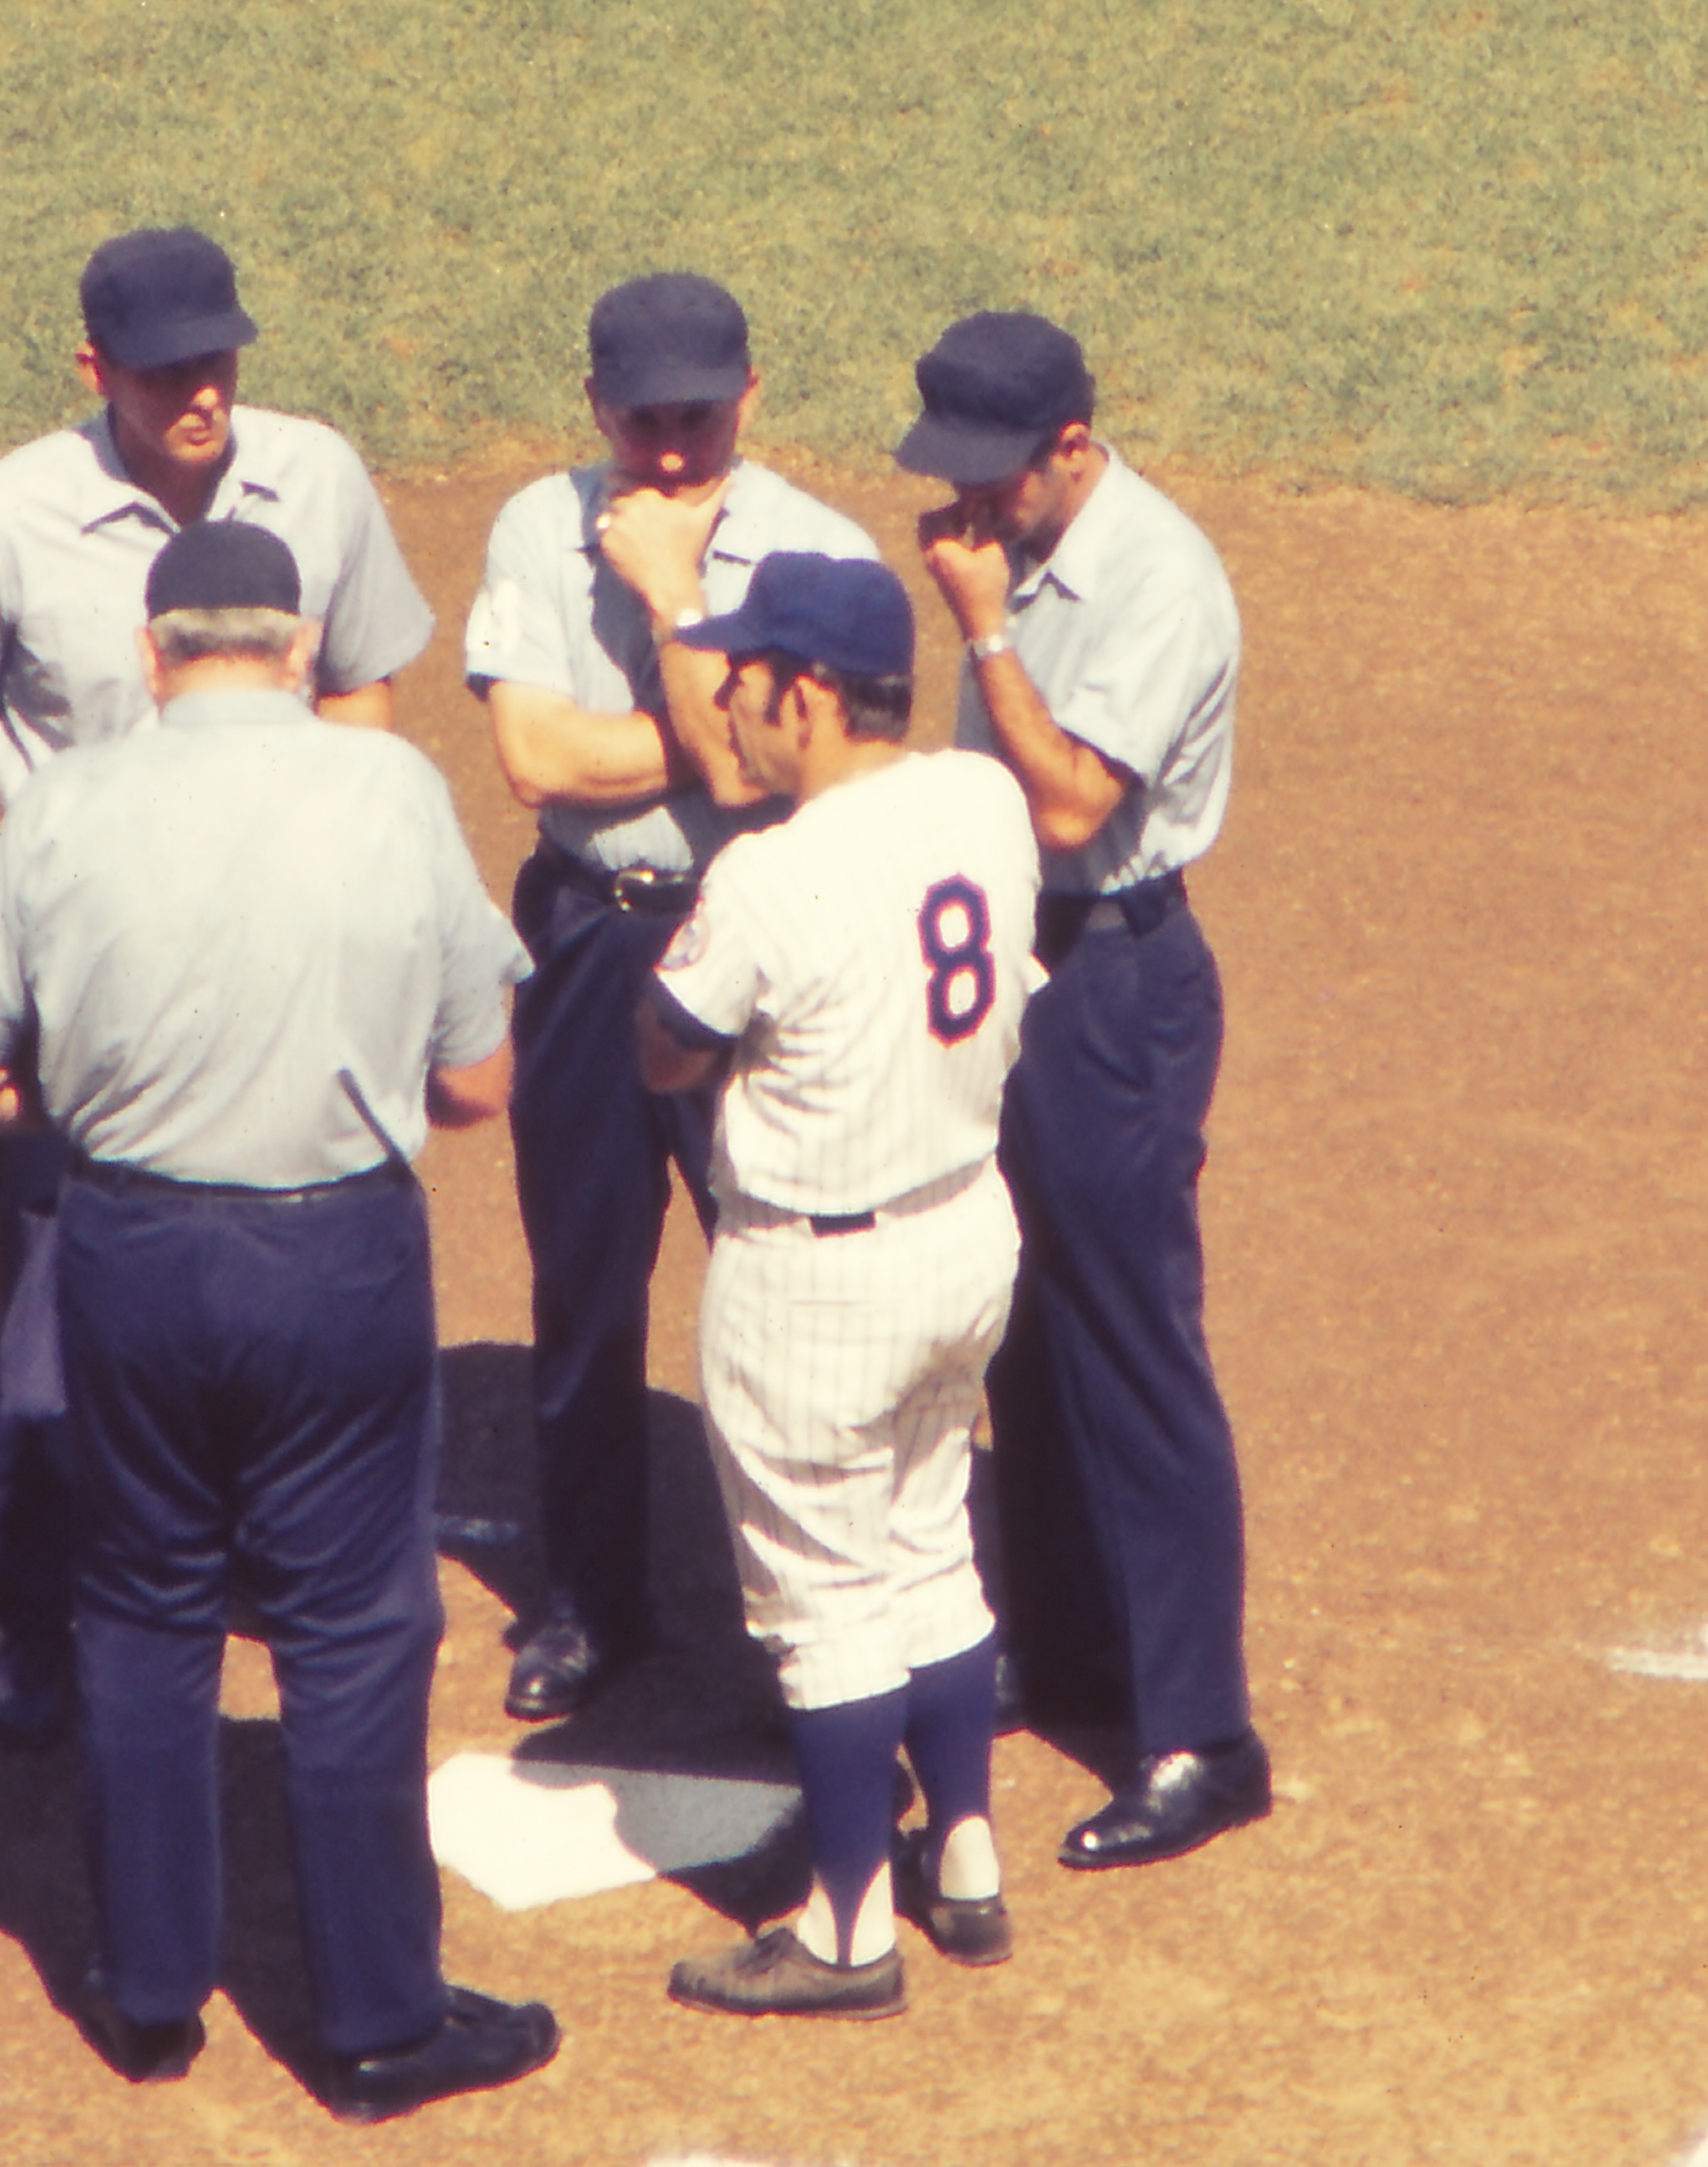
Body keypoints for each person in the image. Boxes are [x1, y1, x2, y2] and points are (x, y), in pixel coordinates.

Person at [0, 523, 555, 2122]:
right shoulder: (391, 792)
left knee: (141, 1605)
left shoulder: (61, 801)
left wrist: (114, 1098)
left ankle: (146, 1999)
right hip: (334, 1260)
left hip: (125, 1251)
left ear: (153, 651)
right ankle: (381, 2025)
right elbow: (482, 1079)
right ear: (301, 642)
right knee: (350, 1624)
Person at [0, 224, 436, 1750]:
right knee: (53, 1329)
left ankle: (236, 1567)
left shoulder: (315, 477)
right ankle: (44, 1615)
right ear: (93, 369)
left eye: (220, 359)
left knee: (257, 1277)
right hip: (90, 989)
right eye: (167, 368)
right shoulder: (10, 516)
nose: (203, 393)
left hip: (272, 966)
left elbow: (367, 684)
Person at [463, 272, 881, 1721]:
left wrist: (670, 597)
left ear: (751, 398)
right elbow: (537, 763)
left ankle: (814, 1610)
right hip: (589, 938)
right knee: (584, 1285)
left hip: (760, 948)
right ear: (597, 407)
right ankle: (589, 1601)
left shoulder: (819, 556)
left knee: (781, 1280)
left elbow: (761, 783)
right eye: (644, 423)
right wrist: (705, 733)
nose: (672, 453)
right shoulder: (534, 523)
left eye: (700, 419)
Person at [634, 553, 1043, 2018]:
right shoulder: (981, 801)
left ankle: (851, 1928)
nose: (726, 703)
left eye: (744, 678)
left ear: (809, 694)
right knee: (930, 1540)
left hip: (817, 1274)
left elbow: (668, 1044)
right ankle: (972, 1860)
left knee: (824, 1601)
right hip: (966, 1232)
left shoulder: (771, 873)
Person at [898, 310, 1271, 1869]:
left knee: (1131, 1341)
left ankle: (1201, 1734)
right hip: (1018, 972)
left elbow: (1065, 806)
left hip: (1117, 984)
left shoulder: (1154, 581)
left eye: (998, 477)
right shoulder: (1018, 542)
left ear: (1073, 445)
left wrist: (982, 628)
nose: (967, 507)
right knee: (1021, 1327)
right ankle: (1062, 1653)